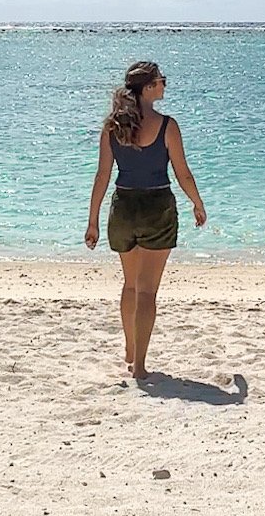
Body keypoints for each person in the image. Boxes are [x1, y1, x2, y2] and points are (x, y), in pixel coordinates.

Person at [84, 61, 206, 380]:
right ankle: (139, 365)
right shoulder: (167, 126)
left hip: (123, 208)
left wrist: (93, 221)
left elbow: (101, 176)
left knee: (130, 284)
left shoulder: (112, 126)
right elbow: (183, 173)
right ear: (148, 88)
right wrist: (197, 203)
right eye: (161, 80)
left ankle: (128, 349)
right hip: (157, 209)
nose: (165, 84)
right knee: (147, 291)